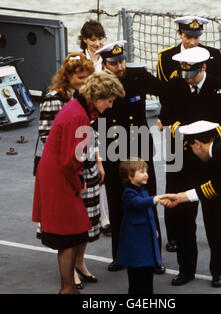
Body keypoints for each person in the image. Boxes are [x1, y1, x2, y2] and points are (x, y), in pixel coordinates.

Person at [32, 70, 125, 294]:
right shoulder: (79, 117)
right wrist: (78, 182)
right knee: (68, 235)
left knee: (72, 233)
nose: (110, 106)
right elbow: (70, 160)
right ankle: (67, 289)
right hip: (61, 178)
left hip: (58, 173)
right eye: (110, 101)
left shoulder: (77, 108)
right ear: (99, 97)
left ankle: (69, 286)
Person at [158, 47, 221, 287]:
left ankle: (219, 270)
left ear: (203, 68)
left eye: (192, 73)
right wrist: (176, 127)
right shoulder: (175, 87)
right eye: (184, 72)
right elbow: (166, 116)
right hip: (183, 160)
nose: (187, 78)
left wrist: (216, 134)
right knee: (184, 218)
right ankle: (186, 269)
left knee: (214, 217)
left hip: (210, 160)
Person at [95, 40, 167, 274]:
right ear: (105, 64)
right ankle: (120, 256)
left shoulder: (138, 76)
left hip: (139, 146)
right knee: (117, 203)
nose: (120, 66)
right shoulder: (96, 82)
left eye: (122, 61)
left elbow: (166, 90)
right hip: (112, 148)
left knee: (149, 199)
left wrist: (165, 115)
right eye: (115, 64)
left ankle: (155, 257)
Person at [37, 52, 103, 289]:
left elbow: (93, 135)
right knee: (72, 226)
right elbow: (46, 134)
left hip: (86, 165)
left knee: (87, 222)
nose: (84, 81)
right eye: (79, 77)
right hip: (70, 169)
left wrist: (98, 161)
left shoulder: (88, 99)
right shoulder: (56, 99)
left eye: (87, 77)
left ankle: (80, 263)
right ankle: (69, 278)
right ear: (68, 77)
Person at [116, 158, 170, 294]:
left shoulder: (142, 190)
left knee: (147, 272)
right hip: (135, 240)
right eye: (141, 172)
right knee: (136, 275)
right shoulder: (129, 193)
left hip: (144, 237)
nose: (146, 174)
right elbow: (138, 203)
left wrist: (154, 229)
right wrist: (154, 199)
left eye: (146, 171)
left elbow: (148, 213)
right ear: (130, 176)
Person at [78, 19, 111, 236]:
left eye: (99, 39)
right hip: (87, 118)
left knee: (108, 165)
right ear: (84, 40)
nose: (97, 43)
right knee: (92, 168)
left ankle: (108, 212)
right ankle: (102, 215)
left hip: (107, 116)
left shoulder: (109, 59)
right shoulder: (78, 61)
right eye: (92, 39)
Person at [157, 16, 221, 83]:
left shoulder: (213, 55)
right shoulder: (166, 57)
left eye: (196, 37)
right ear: (179, 34)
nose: (192, 43)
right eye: (188, 37)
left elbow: (218, 84)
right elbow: (163, 88)